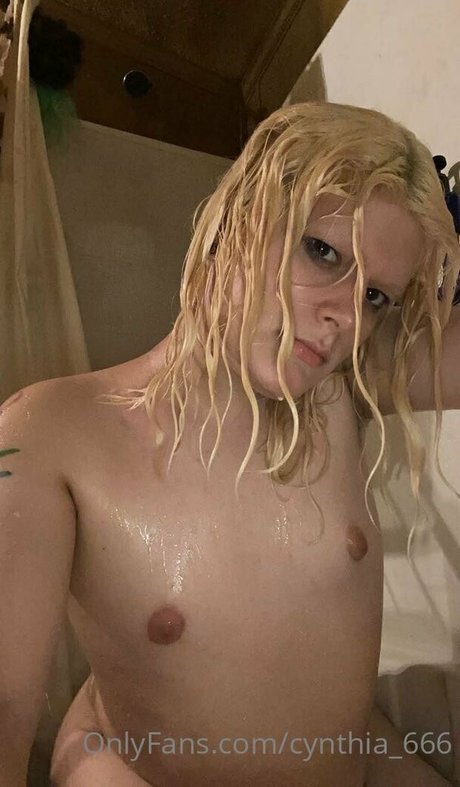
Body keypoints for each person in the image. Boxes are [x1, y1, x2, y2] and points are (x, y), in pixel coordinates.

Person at [1, 101, 459, 787]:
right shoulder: (48, 433)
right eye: (322, 250)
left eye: (374, 297)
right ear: (238, 218)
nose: (342, 314)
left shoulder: (343, 383)